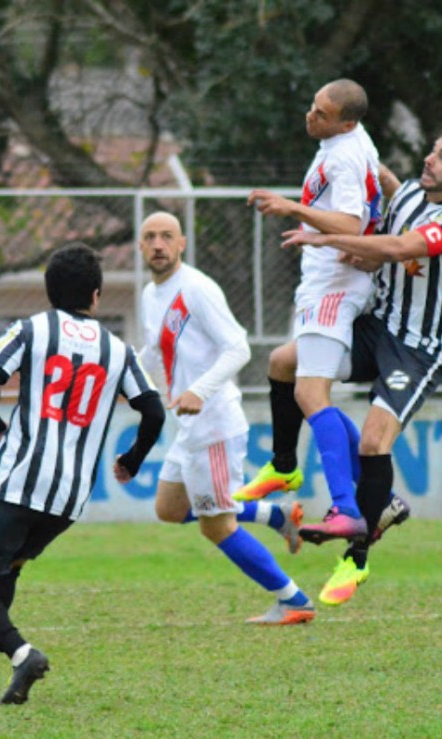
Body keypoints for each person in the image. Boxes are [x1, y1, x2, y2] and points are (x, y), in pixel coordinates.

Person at [0, 243, 165, 703]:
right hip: (70, 495)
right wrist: (133, 459)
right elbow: (153, 411)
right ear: (96, 295)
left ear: (50, 291)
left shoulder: (32, 329)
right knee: (4, 572)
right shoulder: (118, 350)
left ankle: (23, 655)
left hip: (21, 481)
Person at [281, 125, 442, 606]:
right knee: (290, 363)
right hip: (378, 325)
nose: (430, 159)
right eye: (433, 151)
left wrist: (325, 237)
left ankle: (356, 558)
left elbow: (398, 248)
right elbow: (384, 180)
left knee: (375, 440)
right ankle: (288, 465)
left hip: (417, 348)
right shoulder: (411, 193)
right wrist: (346, 145)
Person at [138, 210, 315, 625]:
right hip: (188, 426)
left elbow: (239, 347)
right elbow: (152, 352)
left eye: (167, 236)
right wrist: (125, 379)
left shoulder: (197, 289)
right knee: (169, 507)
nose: (159, 244)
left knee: (216, 525)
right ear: (141, 246)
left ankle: (294, 600)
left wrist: (199, 391)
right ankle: (276, 515)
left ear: (182, 244)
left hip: (214, 424)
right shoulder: (150, 294)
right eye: (150, 237)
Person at [234, 79, 383, 543]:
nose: (310, 116)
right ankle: (284, 467)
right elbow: (373, 197)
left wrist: (291, 208)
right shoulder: (350, 141)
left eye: (322, 114)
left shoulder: (343, 155)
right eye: (313, 107)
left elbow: (350, 222)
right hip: (328, 282)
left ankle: (346, 507)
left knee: (311, 395)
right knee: (282, 363)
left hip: (334, 287)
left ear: (347, 122)